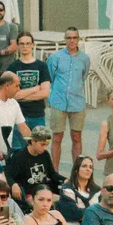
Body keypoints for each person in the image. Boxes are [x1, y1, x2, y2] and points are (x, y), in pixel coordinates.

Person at [45, 28, 91, 166]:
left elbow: (83, 77)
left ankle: (77, 171)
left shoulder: (85, 58)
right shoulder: (55, 57)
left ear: (78, 39)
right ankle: (55, 171)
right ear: (65, 39)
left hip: (77, 102)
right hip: (58, 102)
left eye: (74, 38)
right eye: (69, 37)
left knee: (77, 137)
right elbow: (51, 77)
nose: (71, 40)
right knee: (57, 137)